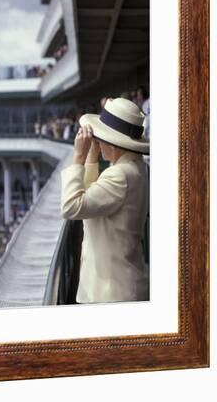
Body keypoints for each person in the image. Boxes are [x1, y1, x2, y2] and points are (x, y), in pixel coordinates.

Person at [60, 97, 149, 303]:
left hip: (111, 293)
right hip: (119, 287)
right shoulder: (134, 167)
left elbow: (71, 206)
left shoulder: (120, 175)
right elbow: (93, 199)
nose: (97, 141)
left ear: (114, 141)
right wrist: (92, 157)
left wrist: (78, 159)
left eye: (101, 138)